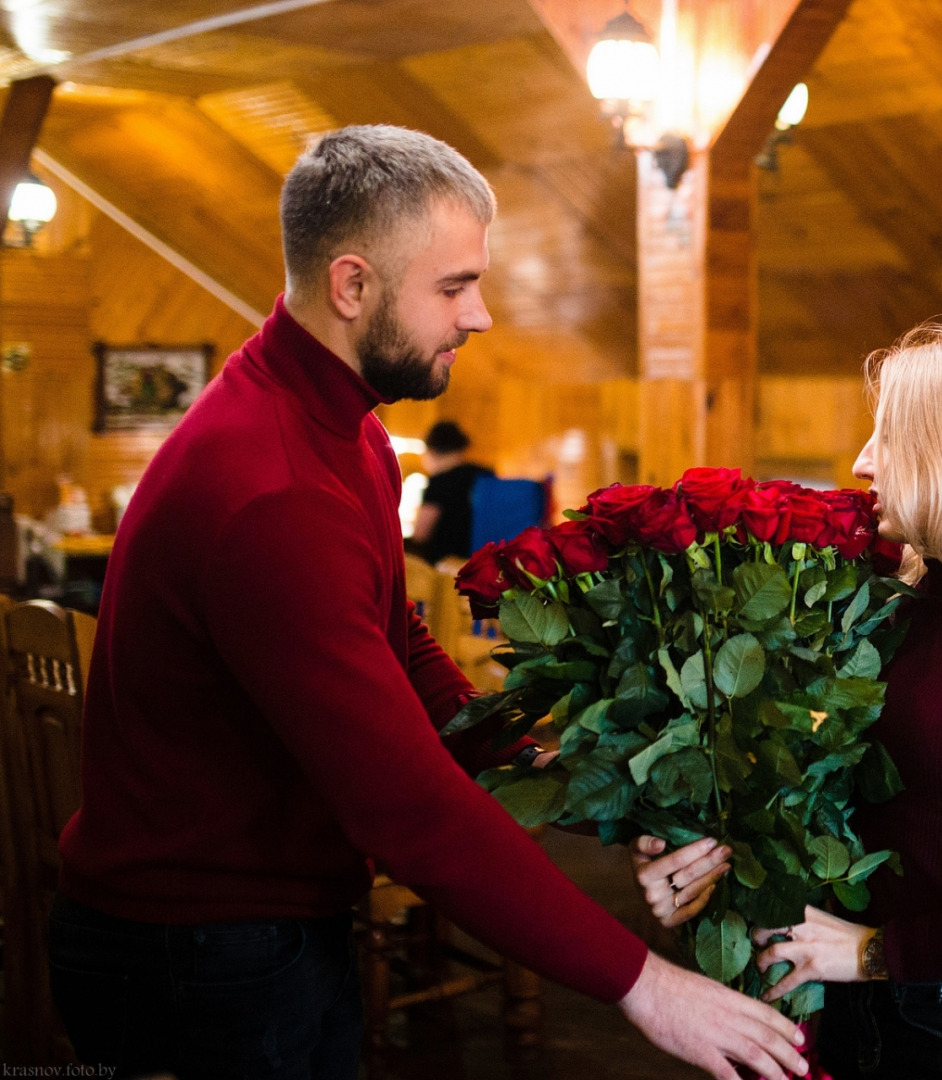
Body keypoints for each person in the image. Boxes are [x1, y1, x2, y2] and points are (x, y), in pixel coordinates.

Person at [48, 125, 806, 1080]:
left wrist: (579, 788)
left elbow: (402, 648)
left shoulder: (341, 422)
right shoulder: (273, 489)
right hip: (198, 951)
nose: (481, 316)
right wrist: (642, 986)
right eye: (454, 287)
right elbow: (409, 811)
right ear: (352, 285)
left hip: (254, 923)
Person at [633, 321, 942, 1079]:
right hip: (845, 998)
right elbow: (831, 804)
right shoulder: (886, 604)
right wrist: (704, 859)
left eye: (886, 437)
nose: (859, 462)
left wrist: (874, 952)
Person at [407, 419, 493, 564]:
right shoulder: (486, 474)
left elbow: (421, 534)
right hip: (484, 563)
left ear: (431, 451)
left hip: (447, 566)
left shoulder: (438, 483)